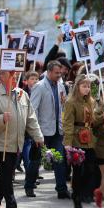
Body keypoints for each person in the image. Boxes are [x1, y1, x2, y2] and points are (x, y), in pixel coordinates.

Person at [0, 69, 44, 208]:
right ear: (2, 77)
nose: (14, 77)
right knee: (7, 172)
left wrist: (38, 136)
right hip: (2, 142)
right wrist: (1, 118)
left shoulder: (22, 95)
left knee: (6, 171)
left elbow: (31, 118)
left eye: (16, 75)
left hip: (18, 141)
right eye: (11, 75)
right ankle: (11, 205)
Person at [30, 61, 70, 199]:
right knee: (36, 160)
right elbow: (32, 110)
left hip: (57, 131)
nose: (59, 75)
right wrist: (35, 132)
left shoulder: (61, 86)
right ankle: (29, 186)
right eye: (57, 73)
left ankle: (61, 189)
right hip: (42, 131)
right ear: (49, 72)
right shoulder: (39, 87)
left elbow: (63, 109)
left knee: (59, 160)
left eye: (60, 73)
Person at [63, 74, 96, 208]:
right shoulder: (71, 102)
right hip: (76, 138)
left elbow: (93, 120)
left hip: (88, 139)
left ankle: (83, 193)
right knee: (77, 171)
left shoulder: (90, 101)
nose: (87, 89)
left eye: (88, 86)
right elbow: (68, 123)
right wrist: (68, 143)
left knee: (91, 169)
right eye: (84, 86)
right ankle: (77, 199)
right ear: (77, 87)